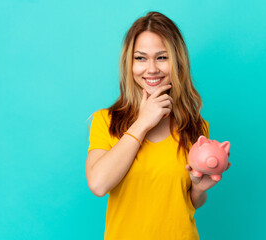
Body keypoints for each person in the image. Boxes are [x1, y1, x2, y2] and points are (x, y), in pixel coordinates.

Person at [85, 11, 230, 240]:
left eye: (162, 57)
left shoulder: (196, 127)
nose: (151, 69)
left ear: (177, 62)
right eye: (140, 58)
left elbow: (189, 202)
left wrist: (199, 188)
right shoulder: (106, 121)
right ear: (128, 63)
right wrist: (142, 122)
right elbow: (99, 184)